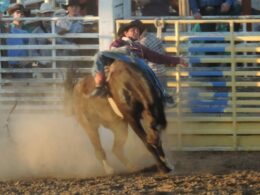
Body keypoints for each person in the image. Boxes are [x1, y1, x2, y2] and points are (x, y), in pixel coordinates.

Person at [90, 20, 188, 103]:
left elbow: (157, 57)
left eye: (137, 30)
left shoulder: (140, 47)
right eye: (133, 30)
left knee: (150, 72)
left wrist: (177, 60)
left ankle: (162, 94)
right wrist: (127, 50)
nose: (136, 32)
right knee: (103, 55)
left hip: (136, 67)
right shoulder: (118, 42)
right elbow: (113, 51)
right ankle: (100, 85)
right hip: (122, 65)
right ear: (125, 33)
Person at [133, 19, 176, 107]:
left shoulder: (142, 42)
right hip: (162, 72)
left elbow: (142, 61)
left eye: (135, 30)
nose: (134, 33)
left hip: (152, 74)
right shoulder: (152, 36)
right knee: (161, 100)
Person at [29, 2, 54, 77]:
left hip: (57, 65)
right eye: (45, 14)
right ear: (41, 15)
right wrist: (42, 62)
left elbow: (63, 47)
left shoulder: (57, 30)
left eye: (49, 13)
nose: (47, 16)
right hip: (42, 66)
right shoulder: (35, 33)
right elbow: (32, 53)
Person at [6, 3, 32, 78]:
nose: (20, 14)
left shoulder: (27, 29)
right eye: (18, 12)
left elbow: (31, 45)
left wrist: (29, 59)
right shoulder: (7, 29)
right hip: (10, 66)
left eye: (22, 12)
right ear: (12, 15)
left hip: (25, 65)